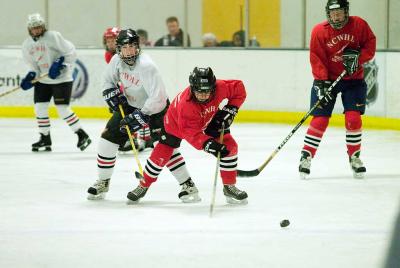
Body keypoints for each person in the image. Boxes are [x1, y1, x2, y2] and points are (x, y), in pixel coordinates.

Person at [87, 29, 200, 203]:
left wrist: (141, 116)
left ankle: (188, 185)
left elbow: (159, 98)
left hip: (157, 110)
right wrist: (109, 93)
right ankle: (103, 181)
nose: (130, 51)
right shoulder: (116, 61)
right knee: (107, 139)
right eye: (125, 47)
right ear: (119, 49)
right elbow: (107, 80)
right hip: (130, 106)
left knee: (164, 147)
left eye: (133, 46)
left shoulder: (147, 66)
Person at [126, 67, 248, 205]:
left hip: (208, 117)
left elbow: (239, 88)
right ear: (192, 88)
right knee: (160, 155)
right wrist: (208, 144)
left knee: (230, 147)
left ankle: (229, 186)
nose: (203, 95)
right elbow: (191, 134)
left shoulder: (220, 87)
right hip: (175, 125)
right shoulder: (187, 106)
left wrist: (231, 109)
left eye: (207, 91)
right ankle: (143, 185)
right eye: (199, 91)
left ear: (213, 87)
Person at [298, 0, 376, 179]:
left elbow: (370, 45)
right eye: (333, 13)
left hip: (353, 80)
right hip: (328, 80)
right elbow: (316, 57)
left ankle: (355, 157)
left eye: (339, 12)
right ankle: (306, 156)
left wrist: (358, 58)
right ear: (328, 13)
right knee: (320, 119)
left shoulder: (359, 25)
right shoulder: (320, 30)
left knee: (353, 118)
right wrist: (321, 82)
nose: (336, 16)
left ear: (346, 11)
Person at [21, 13, 91, 152]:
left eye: (39, 27)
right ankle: (45, 138)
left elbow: (70, 52)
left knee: (62, 109)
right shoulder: (27, 45)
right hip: (43, 80)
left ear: (43, 26)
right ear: (29, 29)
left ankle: (82, 135)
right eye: (34, 28)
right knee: (39, 108)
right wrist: (32, 76)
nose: (36, 30)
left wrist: (61, 64)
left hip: (62, 79)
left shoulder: (53, 36)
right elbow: (33, 65)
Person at [103, 27, 152, 152]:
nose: (110, 43)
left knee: (139, 110)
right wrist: (113, 93)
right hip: (126, 88)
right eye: (107, 41)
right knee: (126, 113)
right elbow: (116, 77)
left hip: (137, 88)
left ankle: (145, 138)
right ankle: (135, 138)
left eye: (112, 40)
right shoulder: (110, 55)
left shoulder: (136, 57)